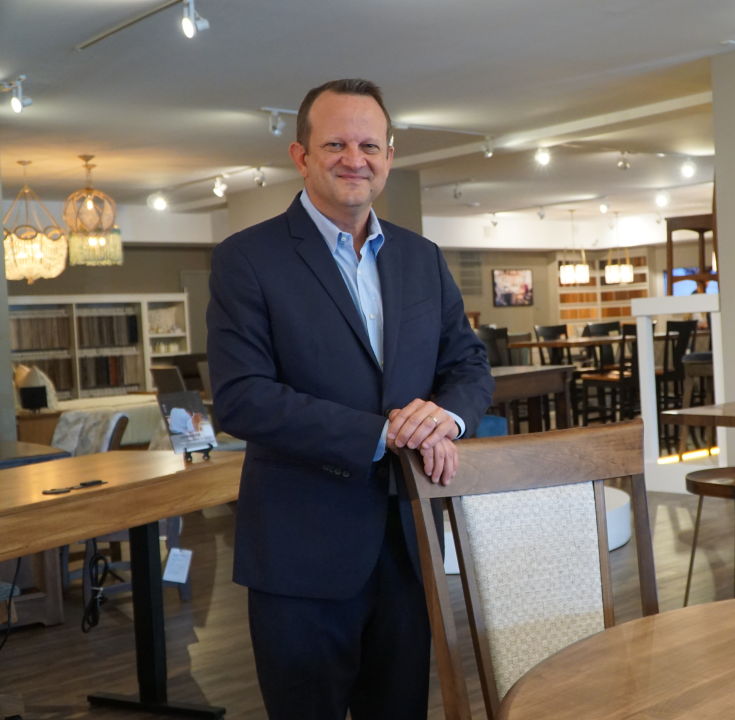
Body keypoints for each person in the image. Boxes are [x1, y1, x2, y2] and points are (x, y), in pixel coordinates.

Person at [206, 78, 493, 719]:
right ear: (300, 155)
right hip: (300, 553)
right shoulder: (246, 259)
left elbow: (469, 366)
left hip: (409, 540)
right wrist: (385, 431)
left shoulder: (422, 258)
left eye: (369, 144)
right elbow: (241, 398)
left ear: (390, 155)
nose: (353, 158)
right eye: (334, 142)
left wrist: (443, 416)